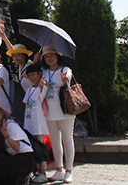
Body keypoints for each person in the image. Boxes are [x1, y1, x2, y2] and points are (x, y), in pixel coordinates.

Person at [38, 45, 75, 183]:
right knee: (55, 141)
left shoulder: (65, 70)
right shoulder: (43, 71)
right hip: (49, 113)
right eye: (46, 56)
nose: (49, 58)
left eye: (52, 55)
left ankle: (69, 170)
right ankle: (59, 170)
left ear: (58, 56)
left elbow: (68, 77)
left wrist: (65, 79)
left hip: (65, 112)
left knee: (67, 140)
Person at [0, 100, 35, 185]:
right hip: (13, 156)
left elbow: (17, 148)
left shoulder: (11, 126)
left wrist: (6, 135)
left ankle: (24, 177)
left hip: (25, 157)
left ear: (2, 112)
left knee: (0, 167)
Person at [22, 63, 49, 184]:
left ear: (40, 74)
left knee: (40, 148)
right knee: (33, 148)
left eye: (34, 74)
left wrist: (41, 86)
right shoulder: (29, 89)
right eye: (30, 75)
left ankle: (43, 172)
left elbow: (42, 97)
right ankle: (36, 171)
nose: (32, 78)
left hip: (38, 124)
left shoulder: (42, 87)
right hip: (29, 123)